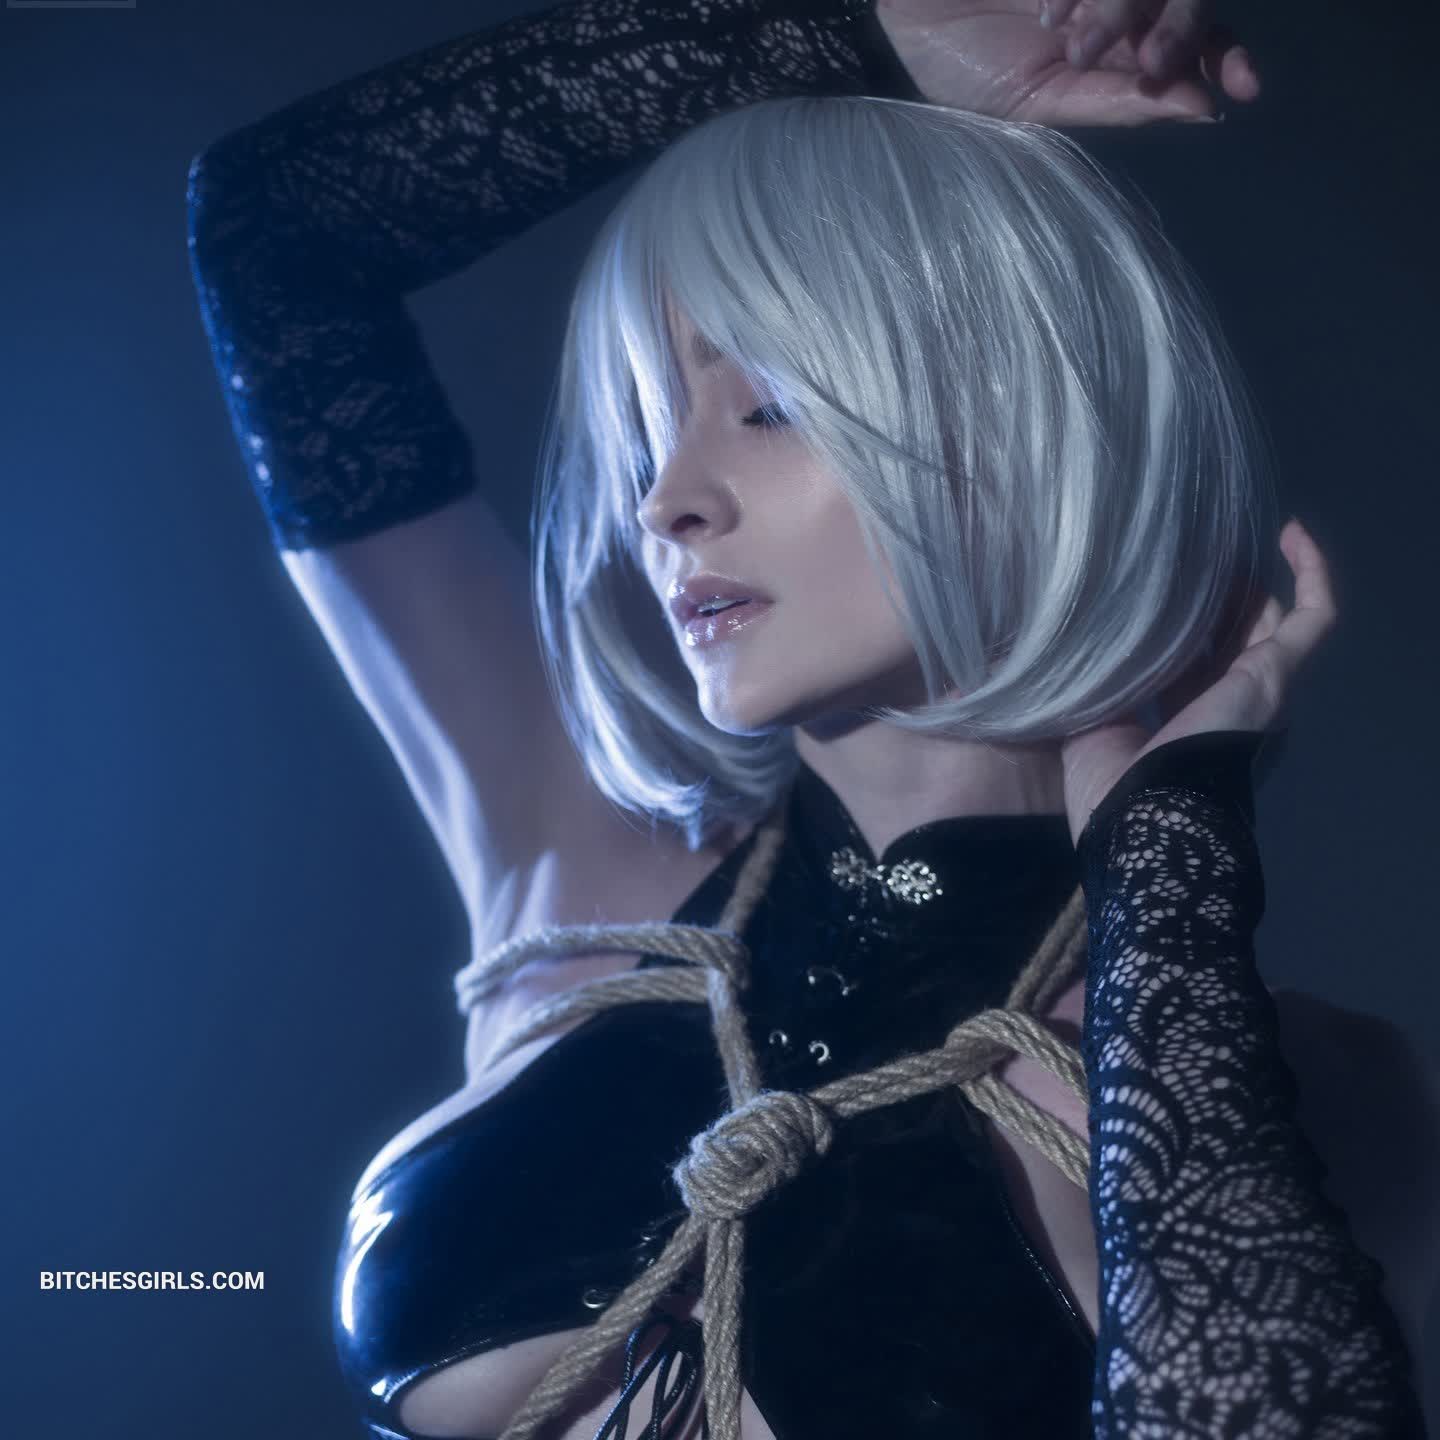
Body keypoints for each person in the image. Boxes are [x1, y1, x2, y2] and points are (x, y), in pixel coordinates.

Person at [185, 0, 1431, 1436]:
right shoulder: (581, 879)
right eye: (649, 429)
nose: (666, 502)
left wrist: (1166, 881)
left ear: (1024, 425)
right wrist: (858, 31)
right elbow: (280, 242)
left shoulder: (1288, 1080)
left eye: (767, 406)